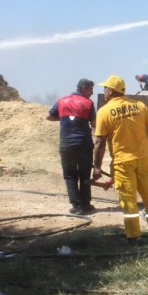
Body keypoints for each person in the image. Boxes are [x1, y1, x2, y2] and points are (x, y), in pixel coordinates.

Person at [92, 75, 148, 244]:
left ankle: (134, 236)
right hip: (143, 158)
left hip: (123, 162)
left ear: (110, 91)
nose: (104, 92)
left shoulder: (104, 111)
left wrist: (96, 168)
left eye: (105, 89)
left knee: (128, 199)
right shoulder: (138, 106)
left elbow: (99, 142)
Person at [46, 78, 97, 215]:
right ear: (84, 88)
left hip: (67, 145)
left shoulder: (62, 100)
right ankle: (85, 204)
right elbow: (94, 124)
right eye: (91, 90)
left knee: (70, 175)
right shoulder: (88, 103)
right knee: (84, 174)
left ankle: (77, 206)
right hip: (84, 144)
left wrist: (64, 117)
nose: (91, 93)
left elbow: (49, 117)